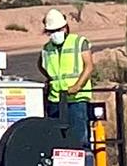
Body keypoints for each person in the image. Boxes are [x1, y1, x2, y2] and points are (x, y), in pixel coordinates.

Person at [39, 8, 95, 143]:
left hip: (76, 99)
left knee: (78, 139)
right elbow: (41, 65)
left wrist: (77, 86)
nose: (55, 34)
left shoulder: (79, 42)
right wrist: (50, 80)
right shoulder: (47, 48)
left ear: (65, 28)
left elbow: (89, 66)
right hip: (55, 99)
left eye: (58, 30)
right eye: (52, 31)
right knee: (56, 139)